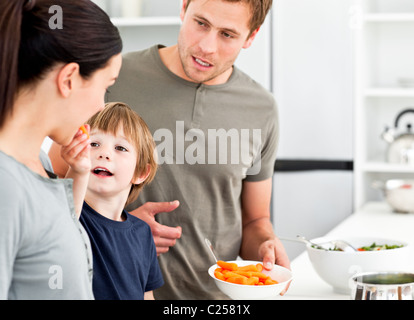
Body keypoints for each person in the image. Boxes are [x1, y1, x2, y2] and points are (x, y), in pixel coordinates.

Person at [50, 0, 290, 300]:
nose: (206, 46)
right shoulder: (113, 76)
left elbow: (255, 220)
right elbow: (54, 187)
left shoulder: (262, 109)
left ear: (251, 37)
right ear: (183, 8)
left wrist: (266, 245)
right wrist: (121, 227)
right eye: (200, 23)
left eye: (227, 34)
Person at [0, 0, 122, 299]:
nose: (100, 106)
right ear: (68, 79)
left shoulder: (37, 161)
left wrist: (78, 174)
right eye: (105, 88)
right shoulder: (6, 185)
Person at [62, 102, 164, 300]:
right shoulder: (73, 216)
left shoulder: (142, 233)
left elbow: (147, 295)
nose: (104, 153)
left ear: (141, 172)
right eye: (94, 144)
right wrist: (77, 169)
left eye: (120, 148)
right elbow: (63, 220)